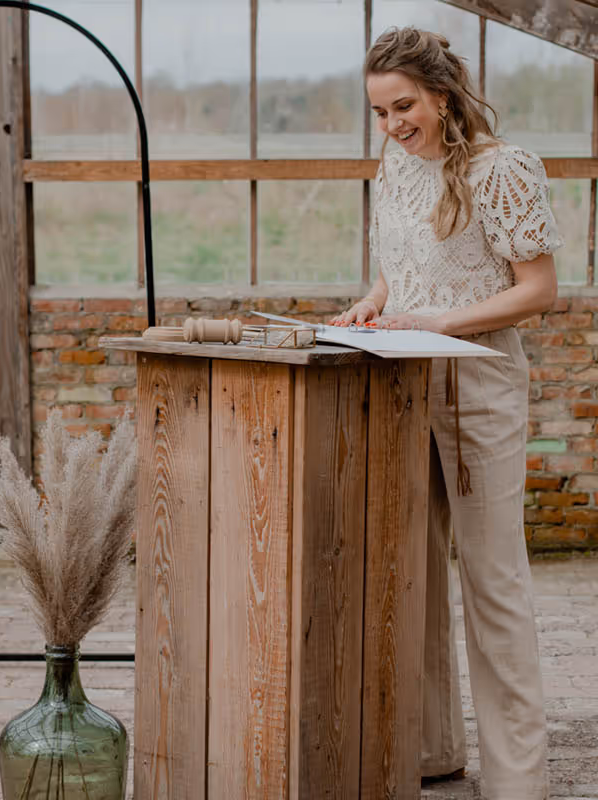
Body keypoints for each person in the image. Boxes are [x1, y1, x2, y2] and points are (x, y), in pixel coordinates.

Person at [331, 26, 563, 800]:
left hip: (480, 388)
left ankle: (518, 782)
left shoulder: (504, 170)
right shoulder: (393, 168)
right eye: (379, 110)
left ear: (441, 93)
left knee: (493, 581)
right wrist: (372, 302)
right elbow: (402, 268)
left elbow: (537, 290)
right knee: (414, 575)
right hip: (399, 384)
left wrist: (433, 323)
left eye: (404, 106)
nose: (393, 124)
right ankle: (430, 751)